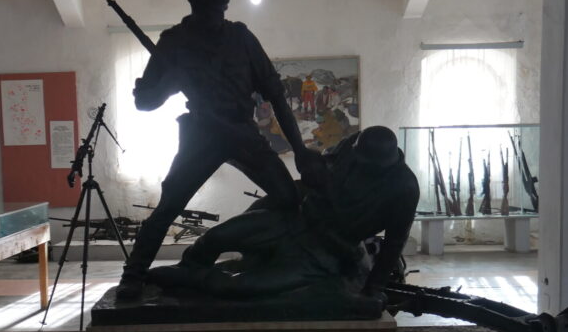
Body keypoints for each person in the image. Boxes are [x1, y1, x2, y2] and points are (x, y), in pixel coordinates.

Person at [116, 0, 319, 300]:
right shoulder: (174, 41)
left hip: (241, 131)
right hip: (201, 134)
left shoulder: (241, 38)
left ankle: (273, 256)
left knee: (288, 198)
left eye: (218, 1)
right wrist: (170, 81)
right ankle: (133, 275)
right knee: (169, 206)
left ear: (226, 3)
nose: (213, 7)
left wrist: (301, 150)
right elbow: (145, 102)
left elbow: (276, 95)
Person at [150, 126, 419, 304]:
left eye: (368, 167)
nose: (360, 168)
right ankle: (186, 272)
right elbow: (321, 167)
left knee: (236, 288)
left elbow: (394, 244)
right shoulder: (353, 146)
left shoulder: (404, 188)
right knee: (216, 237)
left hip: (324, 254)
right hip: (295, 219)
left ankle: (187, 282)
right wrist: (311, 170)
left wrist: (373, 290)